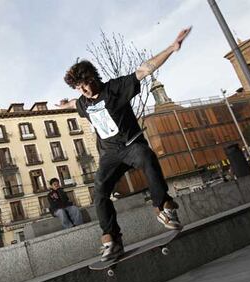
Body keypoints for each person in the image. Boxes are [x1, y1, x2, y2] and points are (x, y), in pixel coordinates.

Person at [58, 27, 192, 261]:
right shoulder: (82, 102)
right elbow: (73, 103)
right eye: (80, 88)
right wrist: (64, 104)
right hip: (109, 155)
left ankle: (163, 208)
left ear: (94, 78)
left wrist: (172, 47)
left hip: (131, 145)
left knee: (147, 157)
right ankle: (112, 239)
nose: (86, 90)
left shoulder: (115, 88)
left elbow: (144, 70)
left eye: (87, 84)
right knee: (99, 191)